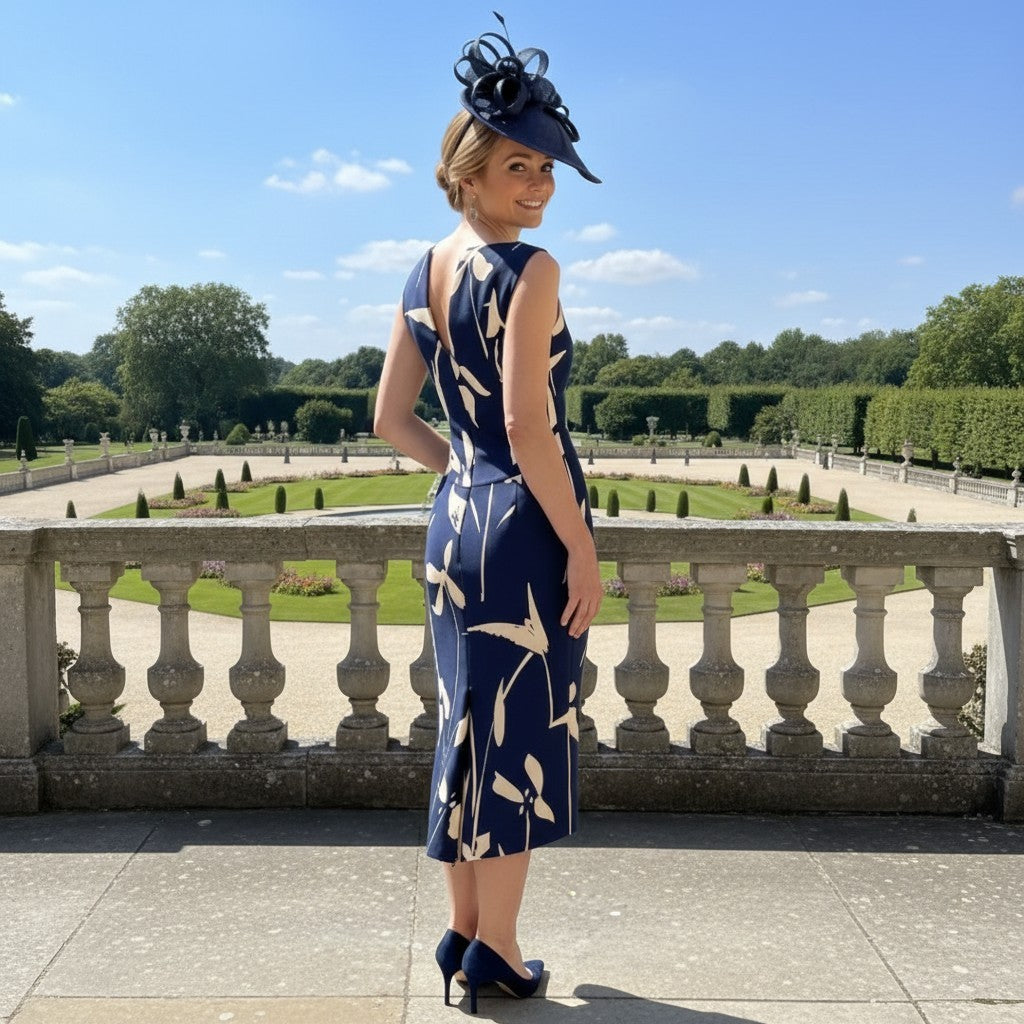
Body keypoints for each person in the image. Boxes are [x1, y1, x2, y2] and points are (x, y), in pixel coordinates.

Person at [374, 13, 602, 1013]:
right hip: (521, 533)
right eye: (519, 166)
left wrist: (466, 472)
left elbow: (391, 419)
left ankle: (465, 932)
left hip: (454, 524)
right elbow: (526, 424)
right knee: (516, 742)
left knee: (468, 724)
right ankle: (499, 951)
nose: (539, 186)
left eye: (546, 169)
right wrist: (580, 547)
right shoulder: (530, 271)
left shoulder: (423, 271)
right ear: (466, 174)